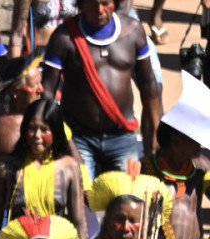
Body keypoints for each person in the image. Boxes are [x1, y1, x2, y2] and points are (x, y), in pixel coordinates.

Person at [40, 0, 159, 174]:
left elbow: (148, 83)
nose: (100, 10)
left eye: (105, 3)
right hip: (77, 137)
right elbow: (47, 90)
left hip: (122, 136)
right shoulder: (63, 37)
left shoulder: (133, 31)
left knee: (127, 196)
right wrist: (55, 136)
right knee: (80, 195)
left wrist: (154, 133)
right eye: (93, 4)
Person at [0, 102, 89, 239]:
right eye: (32, 128)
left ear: (56, 132)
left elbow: (79, 223)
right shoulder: (5, 169)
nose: (37, 136)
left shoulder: (69, 168)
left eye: (44, 130)